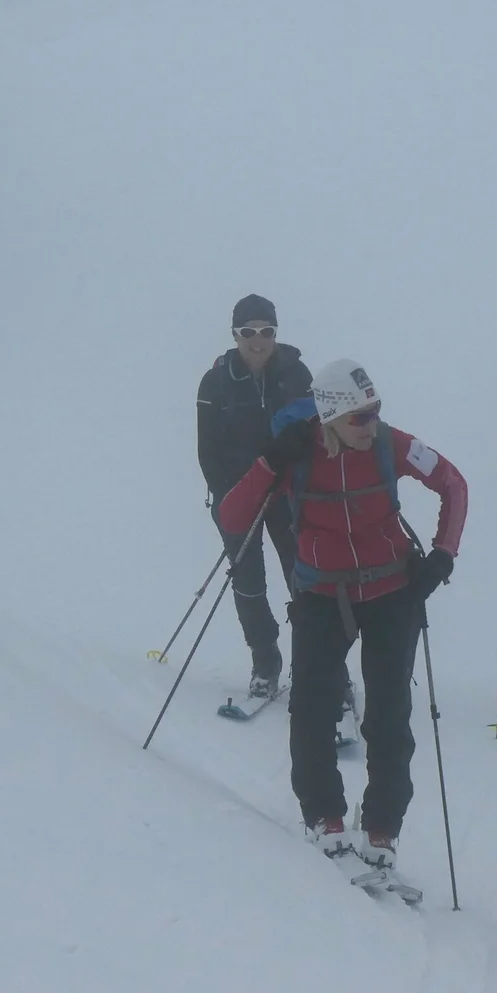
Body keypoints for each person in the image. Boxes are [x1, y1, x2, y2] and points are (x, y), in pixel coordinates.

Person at [216, 358, 468, 893]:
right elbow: (233, 519)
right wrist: (267, 462)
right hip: (320, 595)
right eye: (360, 417)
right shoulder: (295, 456)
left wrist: (442, 556)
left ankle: (381, 830)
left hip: (391, 591)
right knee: (312, 708)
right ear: (330, 418)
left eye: (375, 412)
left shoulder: (390, 445)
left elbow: (454, 484)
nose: (371, 424)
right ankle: (324, 818)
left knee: (389, 715)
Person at [196, 294, 312, 698]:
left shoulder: (297, 374)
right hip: (237, 496)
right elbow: (207, 450)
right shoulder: (215, 381)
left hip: (287, 494)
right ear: (235, 334)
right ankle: (265, 660)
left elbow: (316, 434)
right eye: (249, 332)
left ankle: (316, 661)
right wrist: (229, 495)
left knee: (304, 579)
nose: (258, 340)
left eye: (267, 331)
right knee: (248, 583)